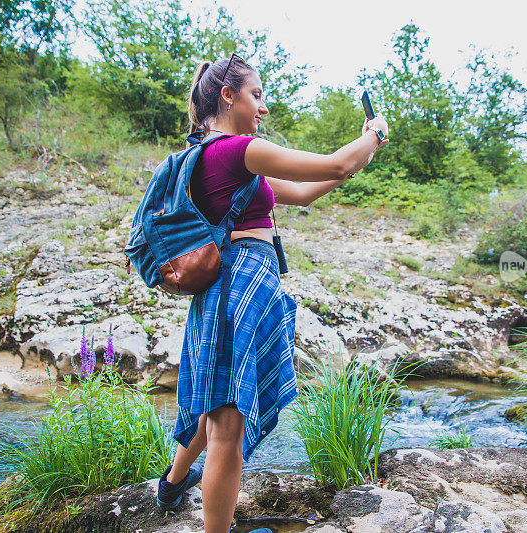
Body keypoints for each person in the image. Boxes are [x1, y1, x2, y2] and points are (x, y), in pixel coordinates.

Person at [155, 54, 389, 533]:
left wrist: (368, 149)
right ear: (228, 96)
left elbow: (311, 188)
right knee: (229, 420)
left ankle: (173, 482)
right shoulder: (235, 151)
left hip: (241, 285)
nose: (262, 107)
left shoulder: (228, 160)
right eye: (256, 95)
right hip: (236, 282)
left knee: (220, 393)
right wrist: (370, 135)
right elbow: (335, 162)